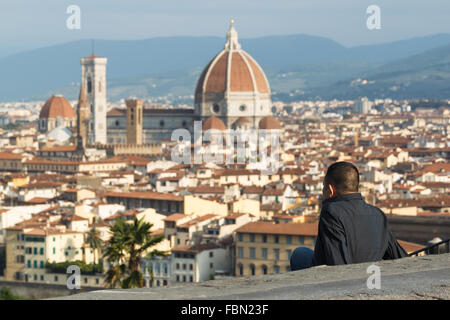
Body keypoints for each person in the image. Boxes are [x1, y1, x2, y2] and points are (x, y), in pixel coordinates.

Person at [290, 161, 407, 271]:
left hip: (347, 282)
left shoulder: (331, 211)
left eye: (323, 187)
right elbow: (399, 256)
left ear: (330, 189)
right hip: (372, 276)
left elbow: (337, 263)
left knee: (299, 254)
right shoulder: (378, 214)